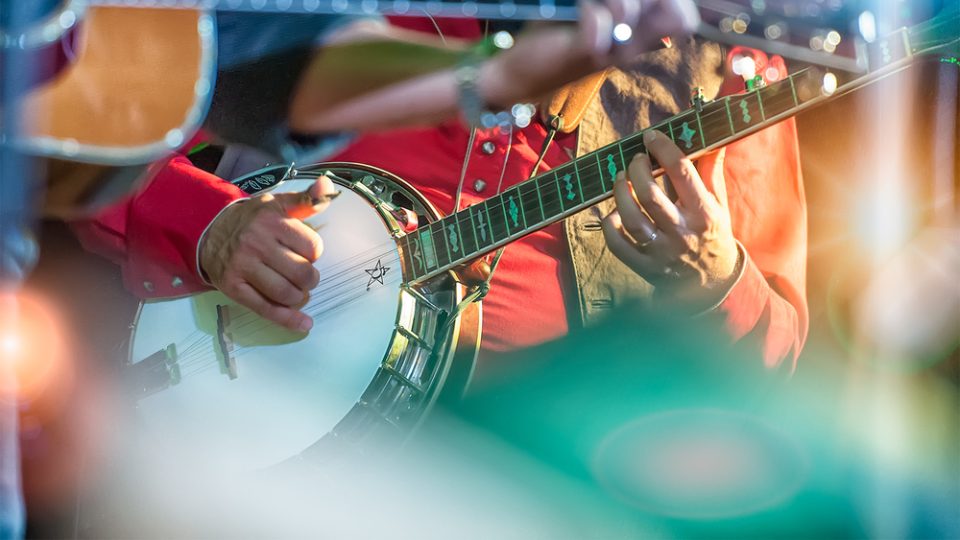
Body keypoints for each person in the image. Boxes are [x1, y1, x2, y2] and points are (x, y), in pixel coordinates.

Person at [73, 16, 807, 382]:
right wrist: (211, 224)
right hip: (236, 415)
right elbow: (88, 125)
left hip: (507, 473)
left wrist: (716, 280)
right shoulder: (353, 13)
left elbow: (778, 348)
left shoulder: (735, 70)